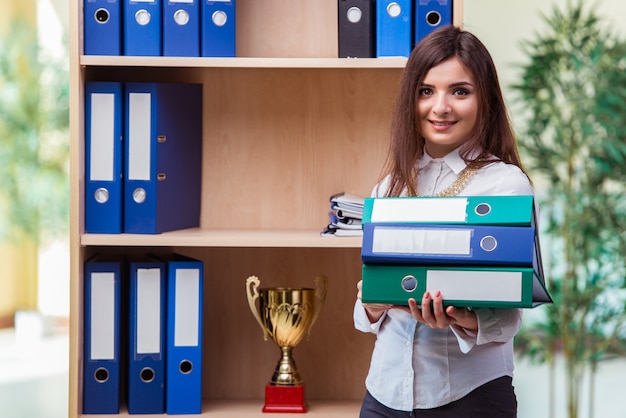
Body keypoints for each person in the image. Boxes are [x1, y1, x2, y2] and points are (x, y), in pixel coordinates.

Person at [354, 25, 534, 418]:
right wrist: (373, 303)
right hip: (383, 396)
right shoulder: (389, 186)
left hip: (469, 398)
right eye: (426, 91)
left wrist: (465, 319)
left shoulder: (506, 185)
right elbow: (366, 303)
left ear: (484, 99)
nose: (440, 107)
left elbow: (510, 312)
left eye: (460, 91)